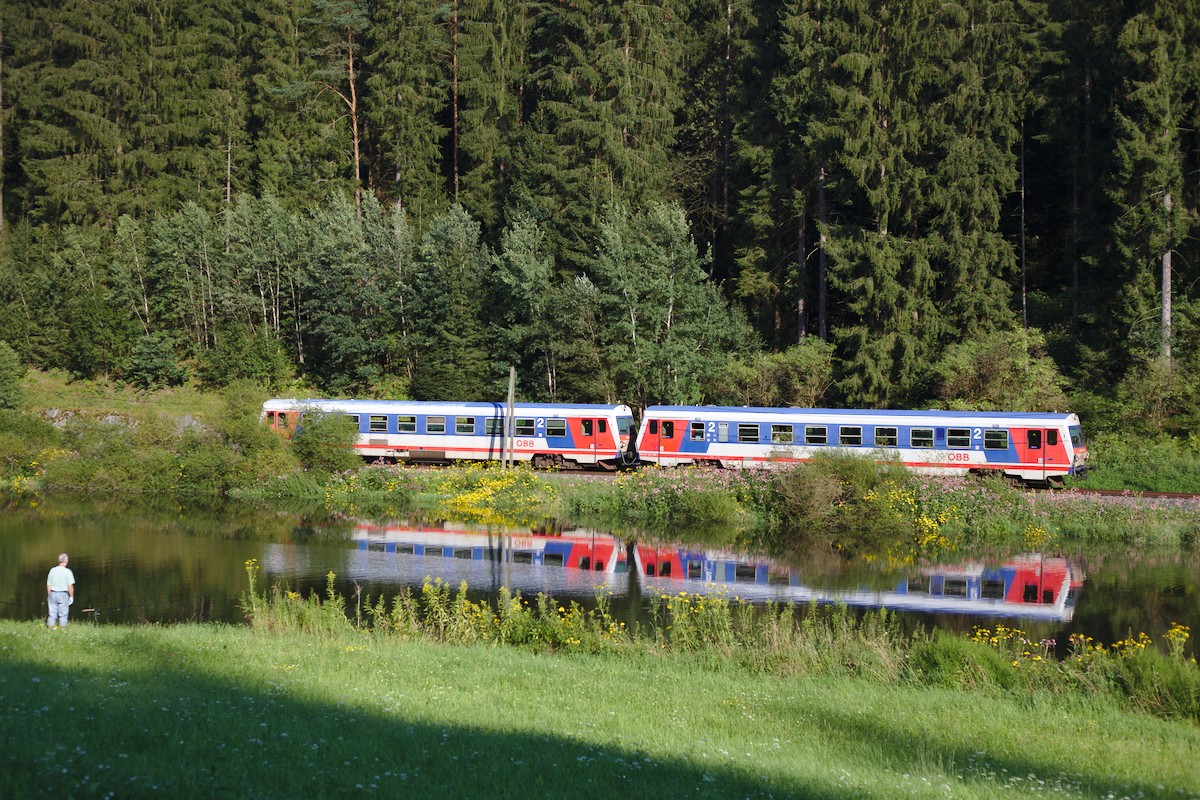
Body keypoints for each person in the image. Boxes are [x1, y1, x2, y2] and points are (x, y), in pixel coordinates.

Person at [46, 553, 75, 629]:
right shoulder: (68, 572)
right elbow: (70, 586)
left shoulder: (52, 570)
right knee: (63, 614)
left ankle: (50, 629)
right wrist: (71, 596)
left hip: (52, 593)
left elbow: (48, 584)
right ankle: (63, 629)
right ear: (66, 561)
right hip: (63, 594)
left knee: (52, 614)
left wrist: (50, 595)